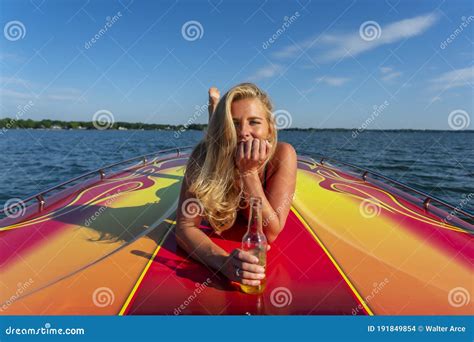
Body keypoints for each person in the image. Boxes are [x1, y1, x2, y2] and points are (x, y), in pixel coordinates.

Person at [175, 83, 297, 287]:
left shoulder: (282, 155)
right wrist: (222, 262)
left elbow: (269, 233)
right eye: (234, 123)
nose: (243, 132)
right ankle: (215, 109)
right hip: (217, 149)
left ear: (269, 128)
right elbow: (185, 227)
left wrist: (248, 173)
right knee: (214, 140)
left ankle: (215, 108)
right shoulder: (203, 156)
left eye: (254, 122)